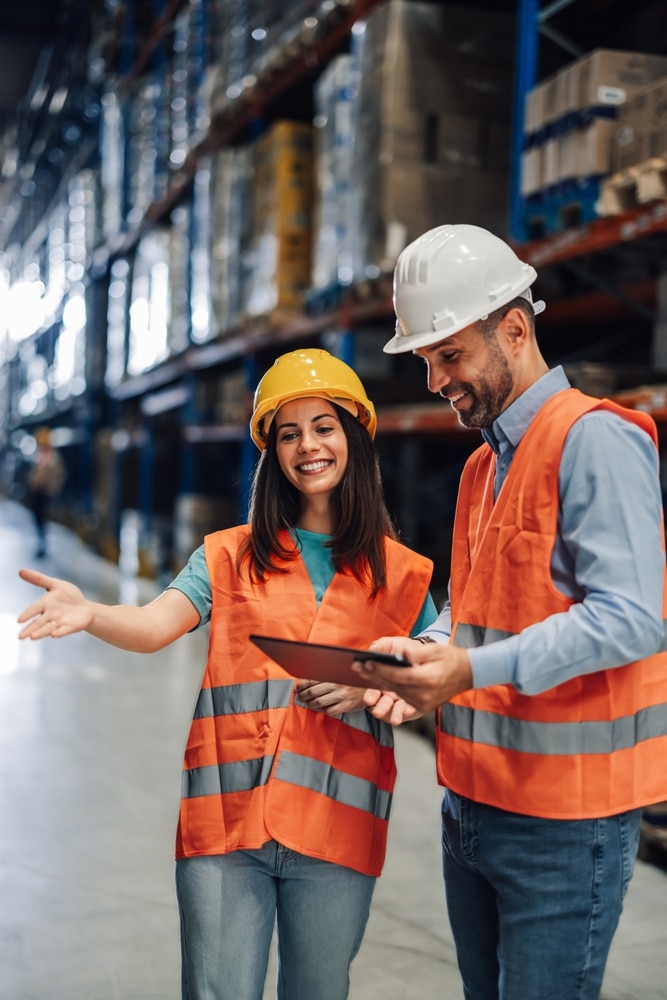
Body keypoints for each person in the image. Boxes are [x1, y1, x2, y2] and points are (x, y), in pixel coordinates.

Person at [17, 348, 436, 1000]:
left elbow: (433, 683)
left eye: (323, 426)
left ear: (353, 434)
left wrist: (380, 685)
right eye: (288, 433)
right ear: (271, 452)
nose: (308, 446)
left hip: (337, 834)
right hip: (224, 828)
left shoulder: (405, 575)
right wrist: (93, 613)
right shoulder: (227, 555)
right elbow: (155, 625)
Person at [352, 224, 667, 1000]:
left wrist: (468, 668)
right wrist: (423, 649)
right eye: (426, 360)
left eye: (448, 355)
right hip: (472, 804)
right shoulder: (480, 466)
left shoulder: (593, 439)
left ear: (515, 329)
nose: (434, 379)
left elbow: (633, 616)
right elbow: (474, 605)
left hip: (564, 823)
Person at [25, 427, 65, 557]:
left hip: (44, 493)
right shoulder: (41, 455)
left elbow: (57, 475)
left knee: (41, 518)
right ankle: (40, 541)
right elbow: (36, 473)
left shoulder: (52, 456)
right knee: (37, 517)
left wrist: (52, 489)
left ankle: (42, 544)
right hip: (37, 492)